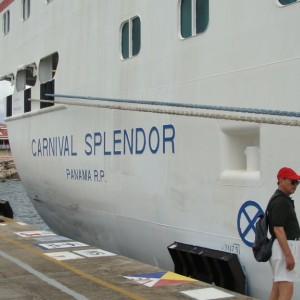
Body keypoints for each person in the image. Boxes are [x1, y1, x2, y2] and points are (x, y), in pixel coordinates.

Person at [268, 167, 300, 300]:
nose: (295, 185)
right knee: (287, 289)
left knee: (277, 288)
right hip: (285, 248)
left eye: (297, 182)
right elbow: (278, 229)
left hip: (283, 247)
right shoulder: (281, 201)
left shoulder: (281, 199)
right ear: (281, 181)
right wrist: (289, 255)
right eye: (292, 182)